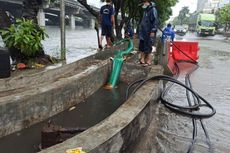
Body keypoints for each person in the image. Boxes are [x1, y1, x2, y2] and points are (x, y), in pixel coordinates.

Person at [138, 0, 158, 66]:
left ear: (147, 2)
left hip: (149, 31)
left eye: (143, 3)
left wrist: (153, 30)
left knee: (148, 46)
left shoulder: (152, 9)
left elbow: (155, 21)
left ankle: (149, 61)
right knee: (142, 46)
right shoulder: (146, 10)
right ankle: (142, 59)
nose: (143, 5)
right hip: (143, 32)